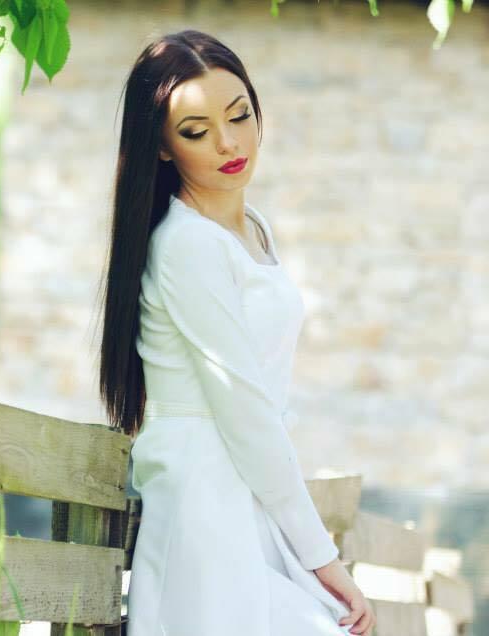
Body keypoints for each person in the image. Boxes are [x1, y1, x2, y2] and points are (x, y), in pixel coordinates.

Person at [96, 30, 376, 635]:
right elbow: (244, 410)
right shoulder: (187, 246)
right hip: (206, 510)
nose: (228, 142)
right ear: (162, 147)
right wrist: (323, 557)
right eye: (196, 131)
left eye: (239, 115)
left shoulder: (252, 228)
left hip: (251, 500)